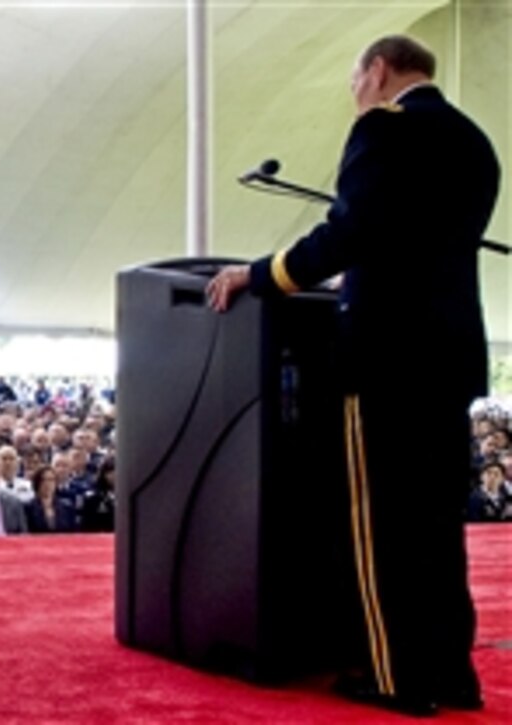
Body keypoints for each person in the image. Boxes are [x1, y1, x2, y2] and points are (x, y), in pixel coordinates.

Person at [206, 35, 500, 716]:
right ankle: (451, 672)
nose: (355, 93)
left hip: (388, 355)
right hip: (450, 356)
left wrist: (257, 274)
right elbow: (413, 241)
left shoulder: (383, 129)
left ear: (378, 69)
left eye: (355, 79)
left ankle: (396, 675)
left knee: (385, 523)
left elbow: (348, 232)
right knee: (436, 525)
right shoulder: (474, 140)